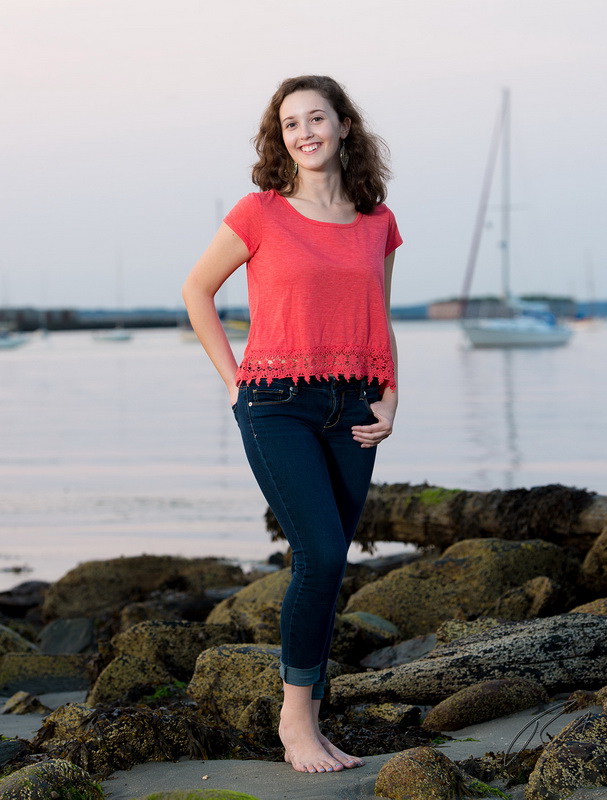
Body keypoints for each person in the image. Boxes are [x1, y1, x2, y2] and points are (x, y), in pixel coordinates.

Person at [182, 75, 402, 775]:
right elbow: (196, 290)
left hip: (355, 409)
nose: (304, 133)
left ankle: (312, 717)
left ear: (343, 127)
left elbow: (382, 315)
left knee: (331, 563)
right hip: (276, 404)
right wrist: (234, 379)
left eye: (316, 118)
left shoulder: (378, 221)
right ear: (281, 140)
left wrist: (391, 395)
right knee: (321, 556)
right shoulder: (260, 213)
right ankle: (295, 720)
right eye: (290, 124)